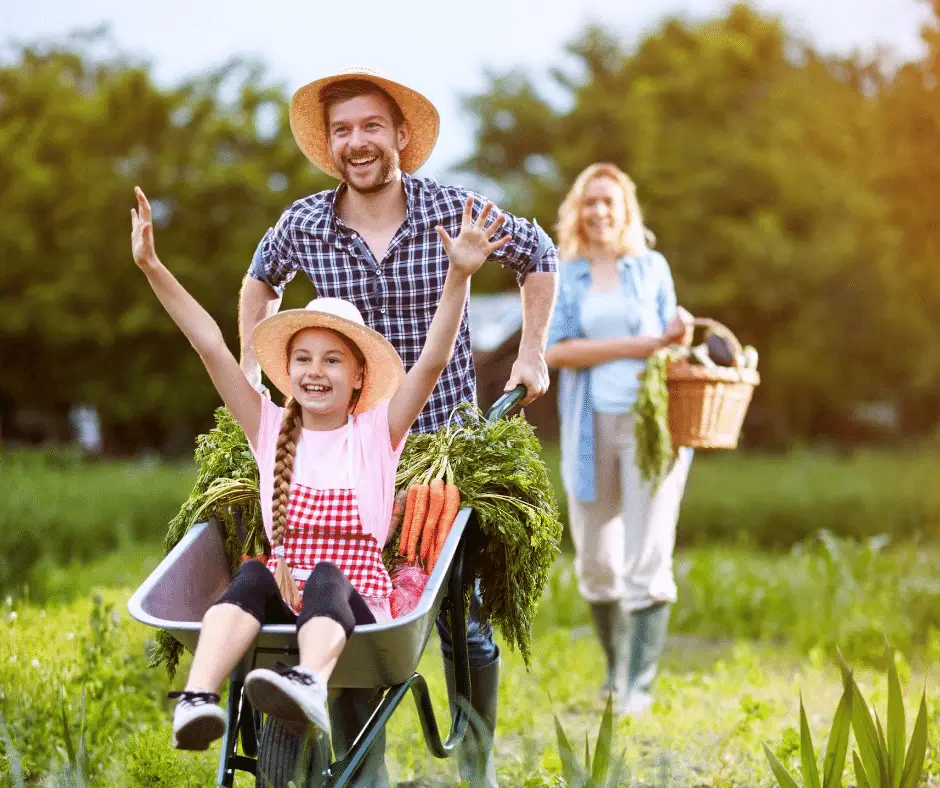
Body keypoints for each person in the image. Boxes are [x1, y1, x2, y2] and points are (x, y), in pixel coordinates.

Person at [239, 67, 558, 786]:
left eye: (372, 126)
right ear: (331, 144)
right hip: (337, 454)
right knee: (343, 600)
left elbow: (538, 256)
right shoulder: (303, 225)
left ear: (401, 136)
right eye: (344, 129)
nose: (358, 142)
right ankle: (362, 772)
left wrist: (531, 353)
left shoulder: (455, 209)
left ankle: (477, 768)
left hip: (441, 456)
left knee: (460, 619)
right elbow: (259, 280)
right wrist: (251, 365)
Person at [128, 185, 509, 750]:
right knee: (253, 573)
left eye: (333, 360)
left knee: (330, 573)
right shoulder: (269, 429)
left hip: (358, 610)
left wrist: (459, 277)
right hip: (286, 599)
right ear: (286, 369)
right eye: (303, 358)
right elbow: (209, 343)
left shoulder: (378, 433)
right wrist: (153, 266)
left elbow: (432, 359)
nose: (316, 371)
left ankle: (308, 682)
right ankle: (197, 700)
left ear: (358, 376)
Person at [545, 163, 694, 715]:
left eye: (610, 202)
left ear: (626, 211)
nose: (599, 211)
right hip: (588, 426)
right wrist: (639, 344)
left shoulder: (650, 268)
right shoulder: (568, 274)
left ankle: (639, 688)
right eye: (590, 202)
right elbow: (554, 350)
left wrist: (673, 336)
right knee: (596, 561)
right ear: (578, 212)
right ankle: (616, 669)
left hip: (650, 427)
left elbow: (669, 347)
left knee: (647, 555)